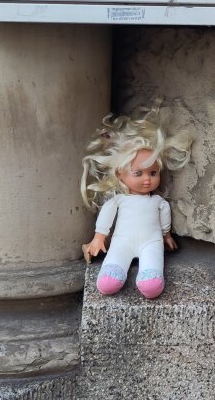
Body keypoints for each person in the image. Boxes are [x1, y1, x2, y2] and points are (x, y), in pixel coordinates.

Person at [81, 111, 190, 299]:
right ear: (119, 174)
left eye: (153, 173)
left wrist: (166, 235)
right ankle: (112, 271)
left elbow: (164, 216)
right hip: (122, 242)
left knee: (152, 279)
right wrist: (99, 237)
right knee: (110, 277)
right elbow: (107, 214)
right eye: (138, 173)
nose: (147, 180)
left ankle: (151, 276)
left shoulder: (158, 202)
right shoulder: (119, 200)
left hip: (152, 242)